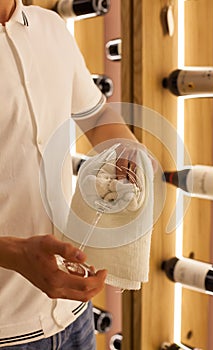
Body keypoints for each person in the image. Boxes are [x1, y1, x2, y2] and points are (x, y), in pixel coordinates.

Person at [0, 0, 138, 349]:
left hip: (76, 317)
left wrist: (132, 153)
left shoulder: (52, 27)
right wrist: (13, 254)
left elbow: (97, 118)